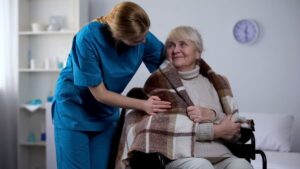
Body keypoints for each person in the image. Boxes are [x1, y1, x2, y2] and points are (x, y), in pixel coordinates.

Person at [52, 2, 171, 169]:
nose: (144, 41)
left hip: (105, 115)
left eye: (145, 35)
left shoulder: (142, 36)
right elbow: (100, 94)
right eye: (137, 40)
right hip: (74, 110)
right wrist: (144, 104)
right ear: (118, 35)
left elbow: (168, 67)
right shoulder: (87, 38)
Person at [115, 26, 253, 169]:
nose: (175, 50)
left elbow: (234, 125)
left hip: (221, 155)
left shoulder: (218, 83)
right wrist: (216, 131)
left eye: (183, 44)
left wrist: (212, 115)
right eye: (170, 45)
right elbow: (162, 128)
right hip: (182, 156)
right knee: (201, 165)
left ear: (198, 52)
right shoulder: (158, 83)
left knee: (242, 165)